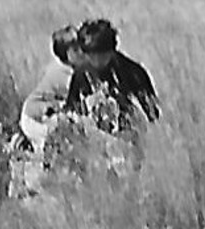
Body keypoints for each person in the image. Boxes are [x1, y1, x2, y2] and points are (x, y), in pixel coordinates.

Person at [20, 18, 157, 157]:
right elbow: (73, 110)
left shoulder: (132, 73)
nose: (96, 62)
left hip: (127, 133)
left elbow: (152, 114)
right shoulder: (82, 73)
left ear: (111, 51)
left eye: (101, 56)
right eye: (91, 56)